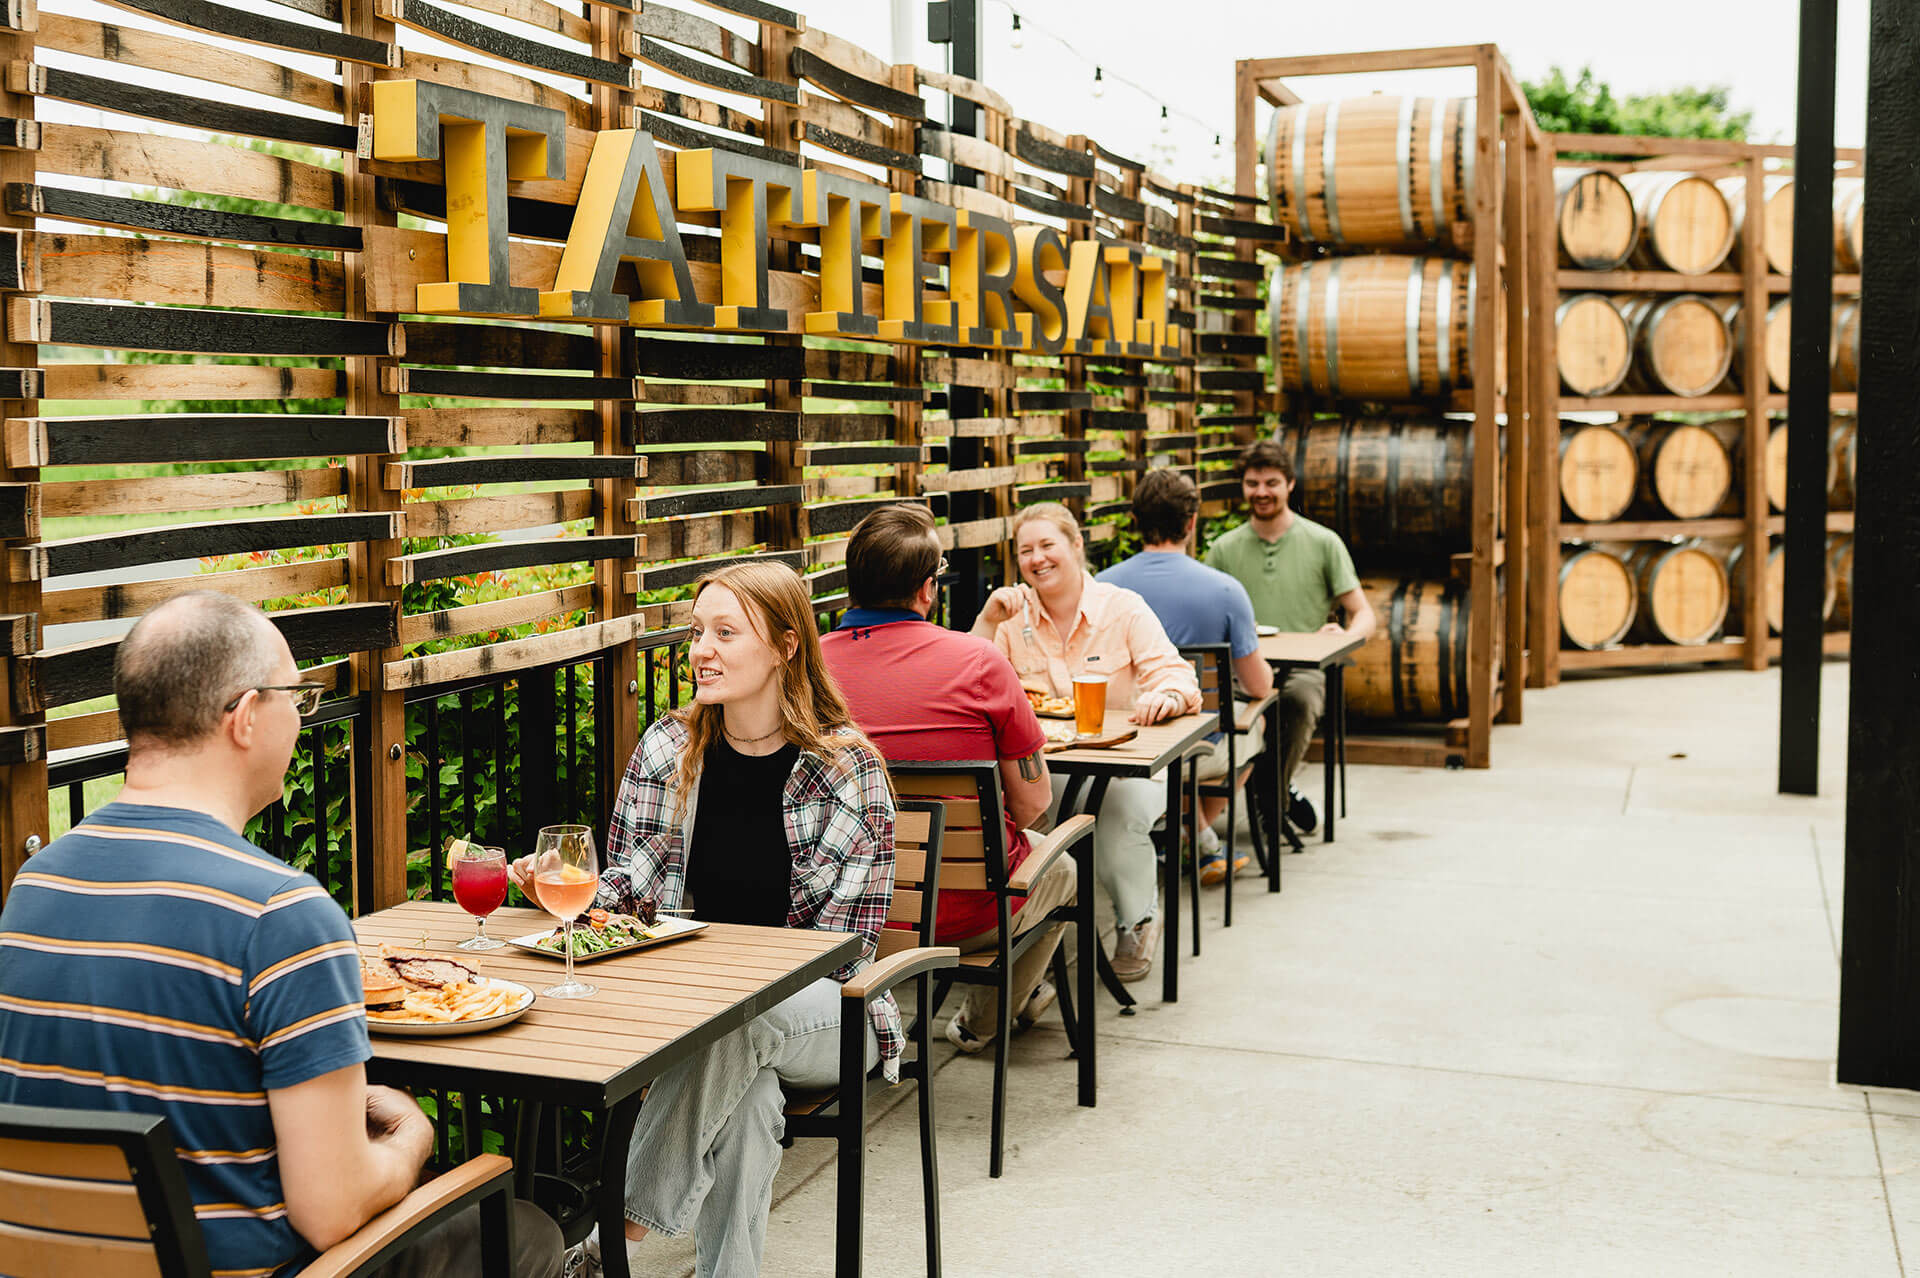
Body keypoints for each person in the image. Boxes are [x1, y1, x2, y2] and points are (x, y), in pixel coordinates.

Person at [0, 592, 562, 1278]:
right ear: (244, 718)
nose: (303, 719)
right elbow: (331, 1210)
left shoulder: (35, 886)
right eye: (298, 698)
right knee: (524, 1229)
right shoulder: (281, 913)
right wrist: (412, 1138)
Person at [510, 561, 895, 1278]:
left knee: (743, 1017)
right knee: (748, 1105)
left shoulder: (845, 768)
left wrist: (721, 989)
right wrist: (576, 890)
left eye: (726, 632)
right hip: (708, 1019)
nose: (700, 651)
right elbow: (630, 891)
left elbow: (847, 946)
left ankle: (606, 1247)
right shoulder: (669, 747)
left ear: (786, 645)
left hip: (832, 1014)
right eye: (695, 633)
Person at [819, 503, 1069, 1054]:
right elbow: (1032, 805)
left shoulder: (808, 669)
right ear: (928, 588)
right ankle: (981, 1022)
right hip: (963, 914)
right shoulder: (979, 661)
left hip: (842, 915)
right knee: (1064, 864)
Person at [970, 502, 1201, 983]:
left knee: (1116, 810)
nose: (1037, 559)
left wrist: (1166, 696)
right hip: (1045, 767)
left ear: (1076, 545)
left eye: (1048, 545)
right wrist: (989, 620)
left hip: (1123, 764)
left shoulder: (1123, 607)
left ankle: (1137, 919)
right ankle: (1032, 940)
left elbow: (1178, 675)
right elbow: (967, 680)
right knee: (1012, 811)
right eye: (1025, 550)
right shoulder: (1011, 619)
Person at [1097, 467, 1273, 884]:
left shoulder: (1103, 587)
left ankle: (1183, 834)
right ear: (1192, 523)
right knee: (1256, 722)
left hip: (1125, 748)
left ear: (1135, 521)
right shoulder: (1226, 590)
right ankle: (1194, 836)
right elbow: (1258, 685)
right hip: (1195, 752)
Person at [1204, 439, 1377, 830]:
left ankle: (1271, 795)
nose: (1261, 492)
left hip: (1303, 668)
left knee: (1297, 702)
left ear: (1290, 484)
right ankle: (1274, 792)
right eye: (1252, 483)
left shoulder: (1322, 542)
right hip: (1240, 670)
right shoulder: (1223, 549)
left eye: (1271, 482)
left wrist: (1343, 636)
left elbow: (1364, 613)